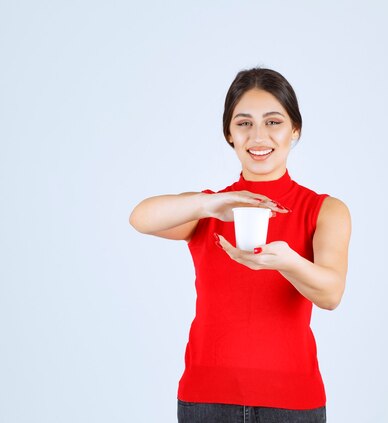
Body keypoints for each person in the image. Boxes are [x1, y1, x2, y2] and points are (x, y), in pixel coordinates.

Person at [129, 67, 351, 423]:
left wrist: (287, 261)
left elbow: (330, 294)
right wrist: (207, 204)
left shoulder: (325, 210)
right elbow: (140, 218)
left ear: (295, 130)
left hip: (292, 403)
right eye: (244, 123)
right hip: (205, 398)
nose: (258, 136)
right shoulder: (211, 207)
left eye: (273, 122)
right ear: (229, 134)